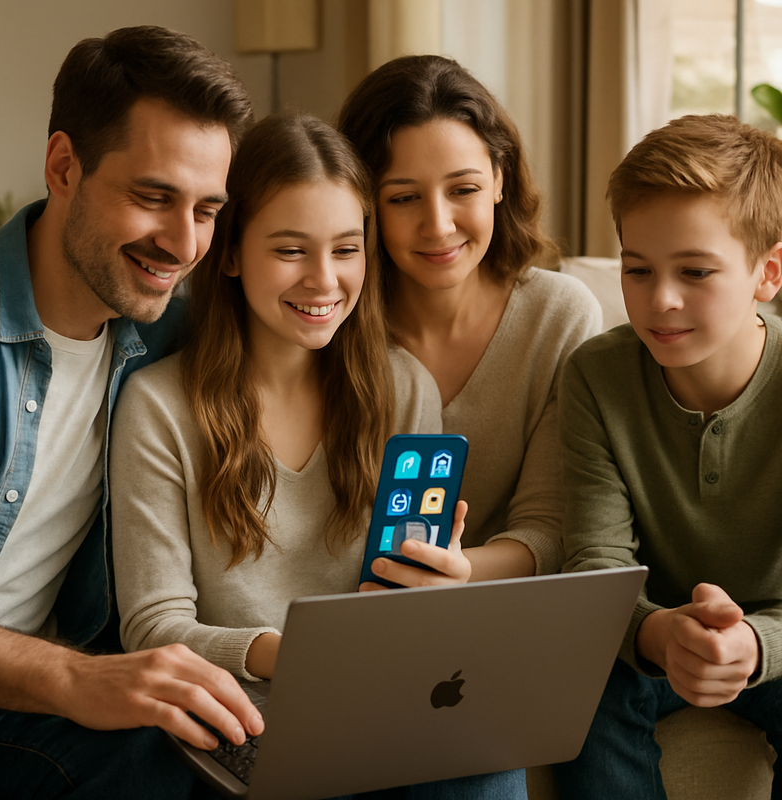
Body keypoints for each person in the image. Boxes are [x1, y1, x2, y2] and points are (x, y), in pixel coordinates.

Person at [110, 112, 527, 799]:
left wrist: (434, 590)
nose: (323, 280)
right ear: (232, 252)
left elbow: (404, 604)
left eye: (345, 249)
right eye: (290, 249)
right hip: (246, 715)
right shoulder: (159, 407)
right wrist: (298, 657)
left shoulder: (402, 388)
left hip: (388, 698)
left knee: (488, 758)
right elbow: (154, 628)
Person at [0, 25, 261, 799]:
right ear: (64, 166)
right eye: (153, 197)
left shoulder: (175, 334)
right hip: (42, 689)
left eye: (208, 209)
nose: (183, 243)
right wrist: (74, 678)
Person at [553, 114, 782, 798]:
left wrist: (755, 645)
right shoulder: (596, 374)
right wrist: (658, 635)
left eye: (695, 271)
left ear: (767, 272)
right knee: (577, 680)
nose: (661, 300)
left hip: (774, 638)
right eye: (637, 270)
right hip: (646, 637)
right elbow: (595, 567)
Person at [338, 54, 601, 584]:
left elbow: (550, 528)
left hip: (505, 614)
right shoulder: (328, 320)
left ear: (500, 179)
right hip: (359, 610)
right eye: (405, 197)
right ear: (364, 203)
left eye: (464, 189)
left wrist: (455, 573)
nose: (438, 225)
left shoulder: (558, 315)